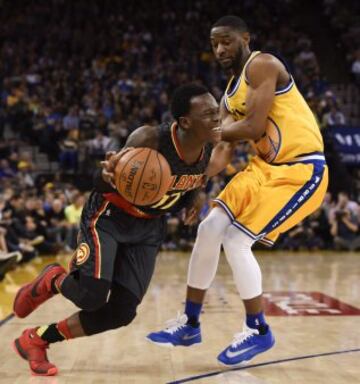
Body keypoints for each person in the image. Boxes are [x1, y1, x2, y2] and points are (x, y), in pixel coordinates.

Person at [12, 83, 234, 376]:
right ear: (185, 122)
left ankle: (37, 338)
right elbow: (102, 180)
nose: (217, 116)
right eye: (208, 113)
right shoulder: (150, 138)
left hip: (149, 228)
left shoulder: (208, 147)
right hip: (109, 217)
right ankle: (54, 279)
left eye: (216, 109)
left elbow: (197, 176)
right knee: (91, 297)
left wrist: (194, 197)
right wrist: (107, 174)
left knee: (122, 312)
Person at [147, 15, 329, 366]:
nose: (219, 49)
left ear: (245, 37)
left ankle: (258, 329)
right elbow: (223, 151)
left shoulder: (263, 64)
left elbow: (253, 126)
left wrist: (205, 131)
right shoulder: (229, 95)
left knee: (235, 240)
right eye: (215, 44)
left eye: (226, 41)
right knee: (209, 227)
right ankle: (189, 321)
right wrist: (192, 184)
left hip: (301, 169)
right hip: (262, 169)